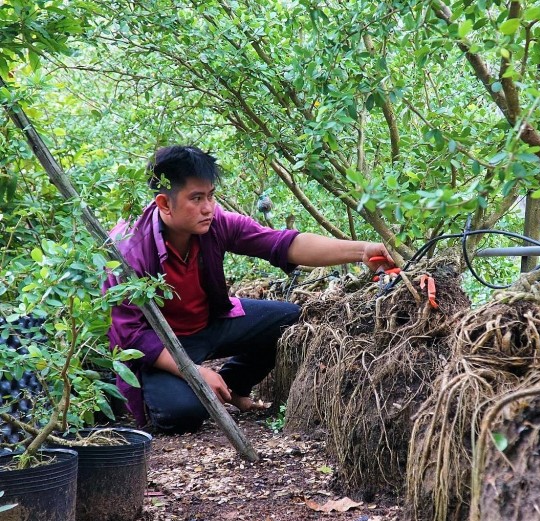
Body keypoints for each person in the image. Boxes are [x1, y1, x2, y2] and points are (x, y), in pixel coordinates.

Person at [103, 145, 394, 433]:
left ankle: (231, 386)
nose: (208, 207)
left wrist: (361, 250)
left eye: (211, 195)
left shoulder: (214, 223)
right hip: (162, 344)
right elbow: (131, 335)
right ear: (165, 204)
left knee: (288, 319)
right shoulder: (128, 249)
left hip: (208, 323)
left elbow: (282, 243)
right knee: (182, 414)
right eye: (196, 198)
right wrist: (195, 372)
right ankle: (182, 393)